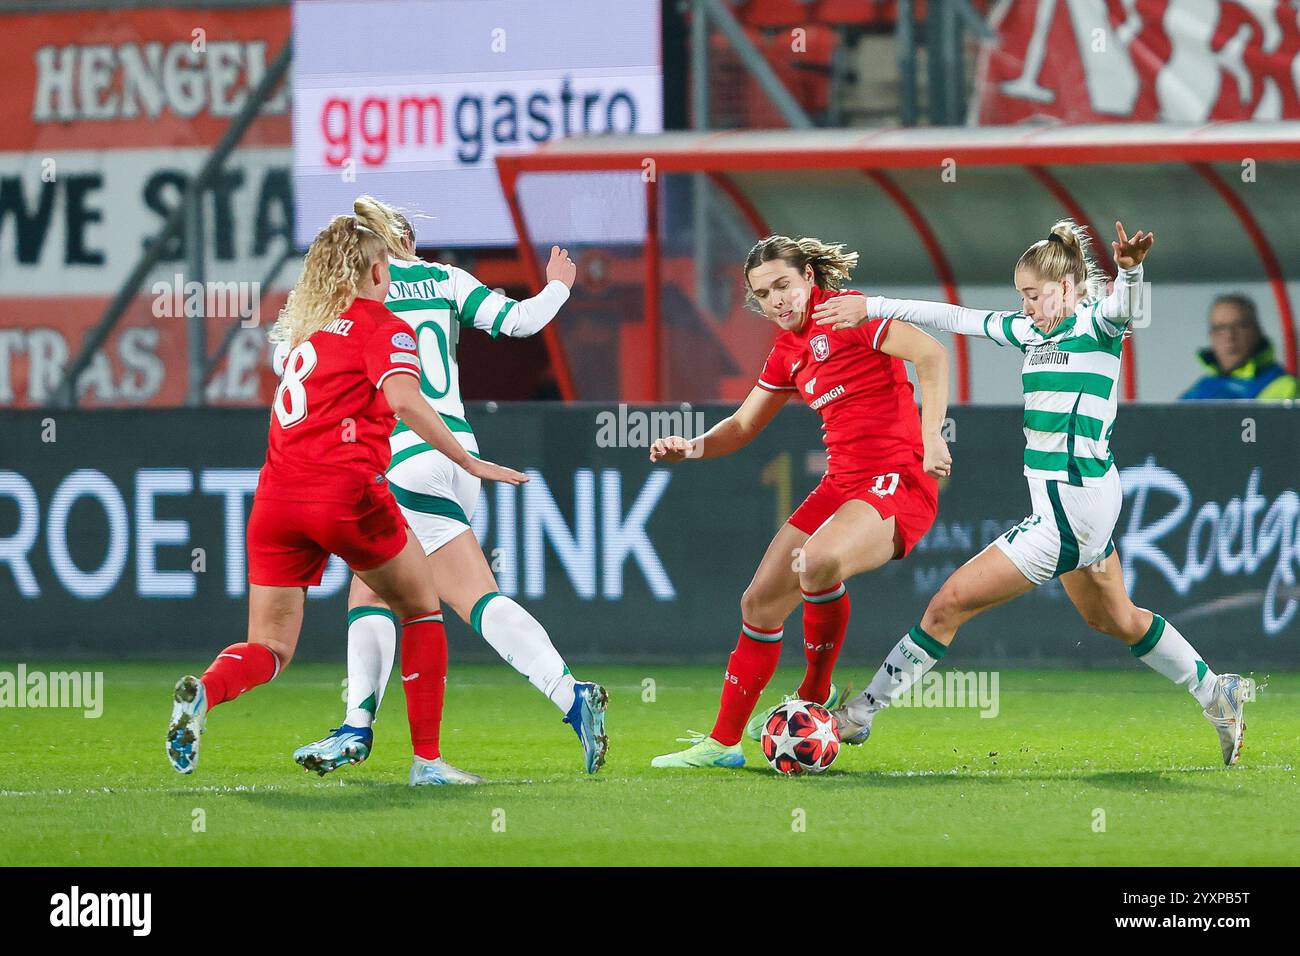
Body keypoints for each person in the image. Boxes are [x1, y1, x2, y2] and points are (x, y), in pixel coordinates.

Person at [820, 220, 1252, 766]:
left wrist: (1131, 269)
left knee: (946, 606)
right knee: (1114, 619)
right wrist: (872, 305)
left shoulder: (1097, 324)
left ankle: (859, 715)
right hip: (1082, 504)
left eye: (1032, 294)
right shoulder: (1030, 333)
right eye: (1020, 295)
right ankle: (1218, 693)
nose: (1024, 305)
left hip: (1070, 513)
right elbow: (955, 318)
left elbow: (1129, 307)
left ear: (1068, 287)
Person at [165, 214, 528, 784]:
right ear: (379, 269)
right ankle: (427, 762)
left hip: (276, 501)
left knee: (271, 645)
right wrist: (466, 459)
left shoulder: (308, 328)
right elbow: (406, 401)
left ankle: (206, 692)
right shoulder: (381, 325)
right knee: (421, 607)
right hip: (343, 494)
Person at [291, 196, 608, 779]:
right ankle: (360, 729)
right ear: (407, 240)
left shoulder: (355, 297)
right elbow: (521, 322)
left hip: (407, 456)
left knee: (463, 596)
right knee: (373, 591)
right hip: (460, 459)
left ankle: (569, 694)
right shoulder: (446, 279)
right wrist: (558, 286)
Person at [647, 235, 952, 769]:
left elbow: (931, 353)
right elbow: (742, 426)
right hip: (841, 483)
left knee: (816, 561)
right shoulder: (787, 351)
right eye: (764, 295)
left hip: (896, 479)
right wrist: (690, 448)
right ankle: (722, 745)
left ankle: (815, 694)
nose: (777, 301)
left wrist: (933, 436)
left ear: (810, 277)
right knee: (759, 603)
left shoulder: (849, 314)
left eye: (783, 285)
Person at [1181, 293, 1297, 400]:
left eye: (1240, 326)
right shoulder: (1197, 391)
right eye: (1220, 328)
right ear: (1210, 336)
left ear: (1257, 331)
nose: (1229, 336)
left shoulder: (1286, 387)